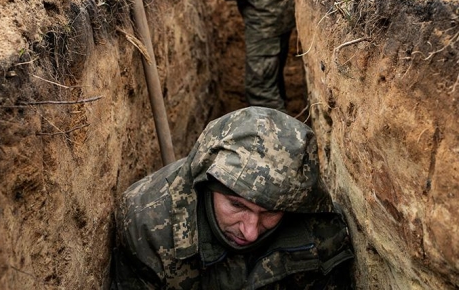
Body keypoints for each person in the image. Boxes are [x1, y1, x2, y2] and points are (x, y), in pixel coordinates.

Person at [112, 106, 354, 289]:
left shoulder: (323, 231)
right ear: (206, 185)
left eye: (270, 213)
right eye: (237, 205)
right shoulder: (147, 223)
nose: (250, 232)